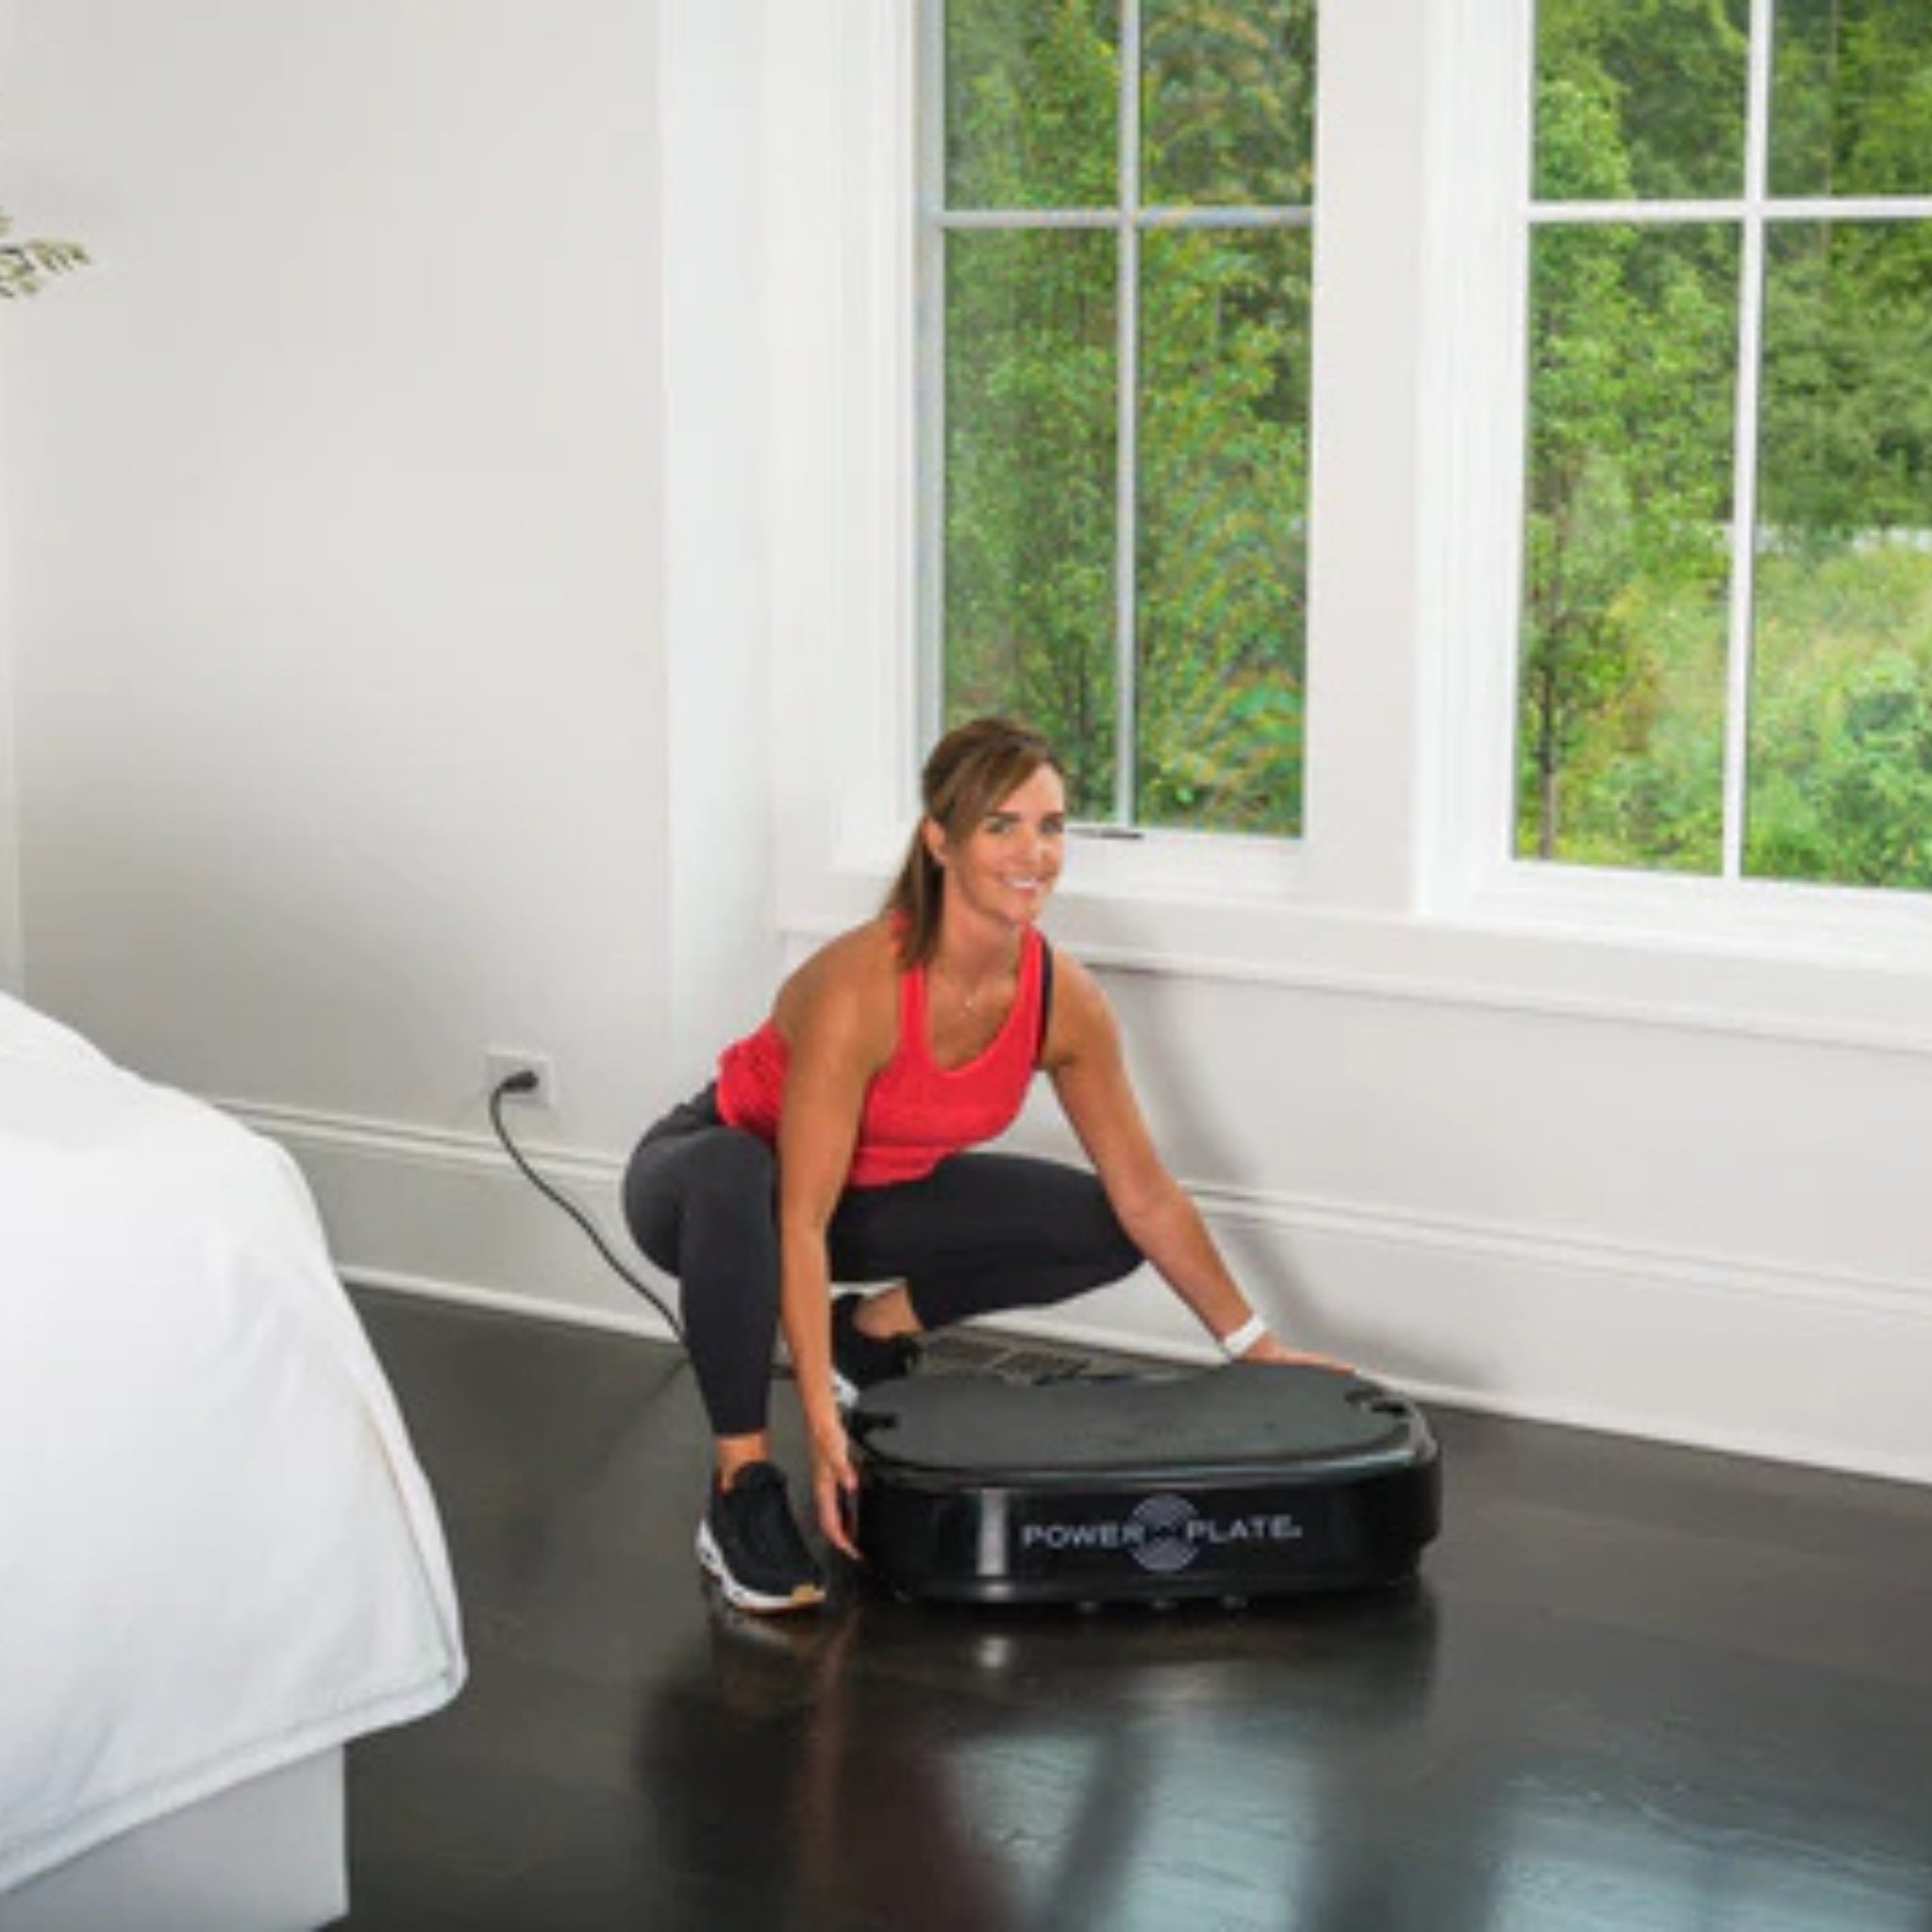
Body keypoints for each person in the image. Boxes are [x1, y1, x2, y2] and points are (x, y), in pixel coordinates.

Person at [622, 715, 1335, 1615]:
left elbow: (1147, 1194)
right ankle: (740, 1486)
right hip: (709, 1192)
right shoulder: (863, 987)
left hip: (863, 1204)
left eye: (1051, 825)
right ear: (940, 841)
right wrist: (822, 1428)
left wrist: (1255, 1347)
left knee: (1107, 1226)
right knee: (738, 1173)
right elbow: (796, 1219)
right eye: (1002, 825)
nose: (1033, 852)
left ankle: (869, 1333)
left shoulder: (1060, 999)